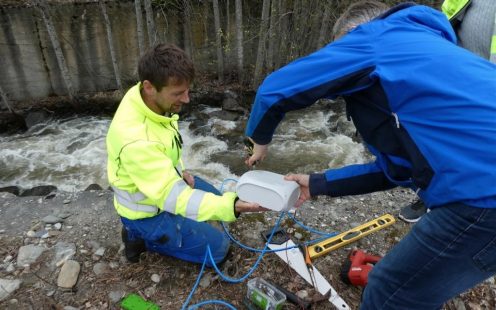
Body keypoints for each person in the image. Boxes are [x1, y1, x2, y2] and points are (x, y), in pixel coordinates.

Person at [244, 1, 496, 309]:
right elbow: (398, 170)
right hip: (484, 190)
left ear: (351, 33)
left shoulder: (373, 38)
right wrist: (318, 183)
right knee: (417, 290)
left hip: (483, 194)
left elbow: (275, 89)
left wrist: (257, 140)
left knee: (388, 291)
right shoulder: (425, 58)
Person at [106, 43, 264, 266]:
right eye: (178, 93)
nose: (187, 99)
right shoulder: (136, 139)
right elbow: (174, 197)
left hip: (160, 189)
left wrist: (180, 172)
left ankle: (151, 231)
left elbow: (163, 149)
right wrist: (232, 207)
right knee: (219, 249)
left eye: (187, 90)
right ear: (150, 87)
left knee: (217, 202)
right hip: (147, 214)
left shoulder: (146, 101)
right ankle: (141, 237)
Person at [399, 0, 496, 222]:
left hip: (487, 92)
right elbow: (441, 20)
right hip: (457, 82)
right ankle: (431, 196)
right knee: (442, 142)